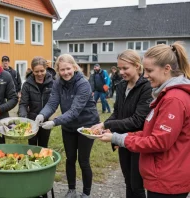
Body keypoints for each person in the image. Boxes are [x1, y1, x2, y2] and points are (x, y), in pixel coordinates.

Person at [100, 42, 190, 198]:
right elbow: (151, 131)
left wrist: (118, 138)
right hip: (164, 176)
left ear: (167, 69)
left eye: (149, 70)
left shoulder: (173, 99)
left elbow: (159, 141)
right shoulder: (166, 95)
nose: (146, 75)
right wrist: (121, 137)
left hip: (167, 180)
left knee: (136, 187)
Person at [36, 54, 100, 198]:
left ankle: (86, 193)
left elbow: (74, 111)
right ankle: (71, 190)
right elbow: (52, 103)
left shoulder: (83, 84)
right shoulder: (58, 83)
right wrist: (42, 115)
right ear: (58, 71)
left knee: (83, 161)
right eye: (62, 70)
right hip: (68, 126)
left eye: (68, 69)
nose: (65, 72)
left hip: (86, 125)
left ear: (74, 67)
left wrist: (54, 122)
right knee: (70, 158)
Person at [91, 50, 152, 198]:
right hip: (122, 140)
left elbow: (138, 120)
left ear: (137, 66)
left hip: (138, 141)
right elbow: (117, 112)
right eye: (119, 68)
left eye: (125, 68)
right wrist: (104, 125)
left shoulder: (146, 87)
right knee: (128, 182)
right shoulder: (121, 85)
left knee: (137, 186)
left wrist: (107, 126)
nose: (121, 72)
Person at [19, 57, 54, 148]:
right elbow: (23, 104)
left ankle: (43, 161)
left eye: (42, 71)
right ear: (32, 71)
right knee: (32, 146)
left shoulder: (52, 83)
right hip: (32, 120)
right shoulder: (27, 85)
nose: (39, 74)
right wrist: (23, 117)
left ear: (46, 69)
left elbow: (54, 102)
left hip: (46, 120)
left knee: (43, 146)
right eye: (36, 71)